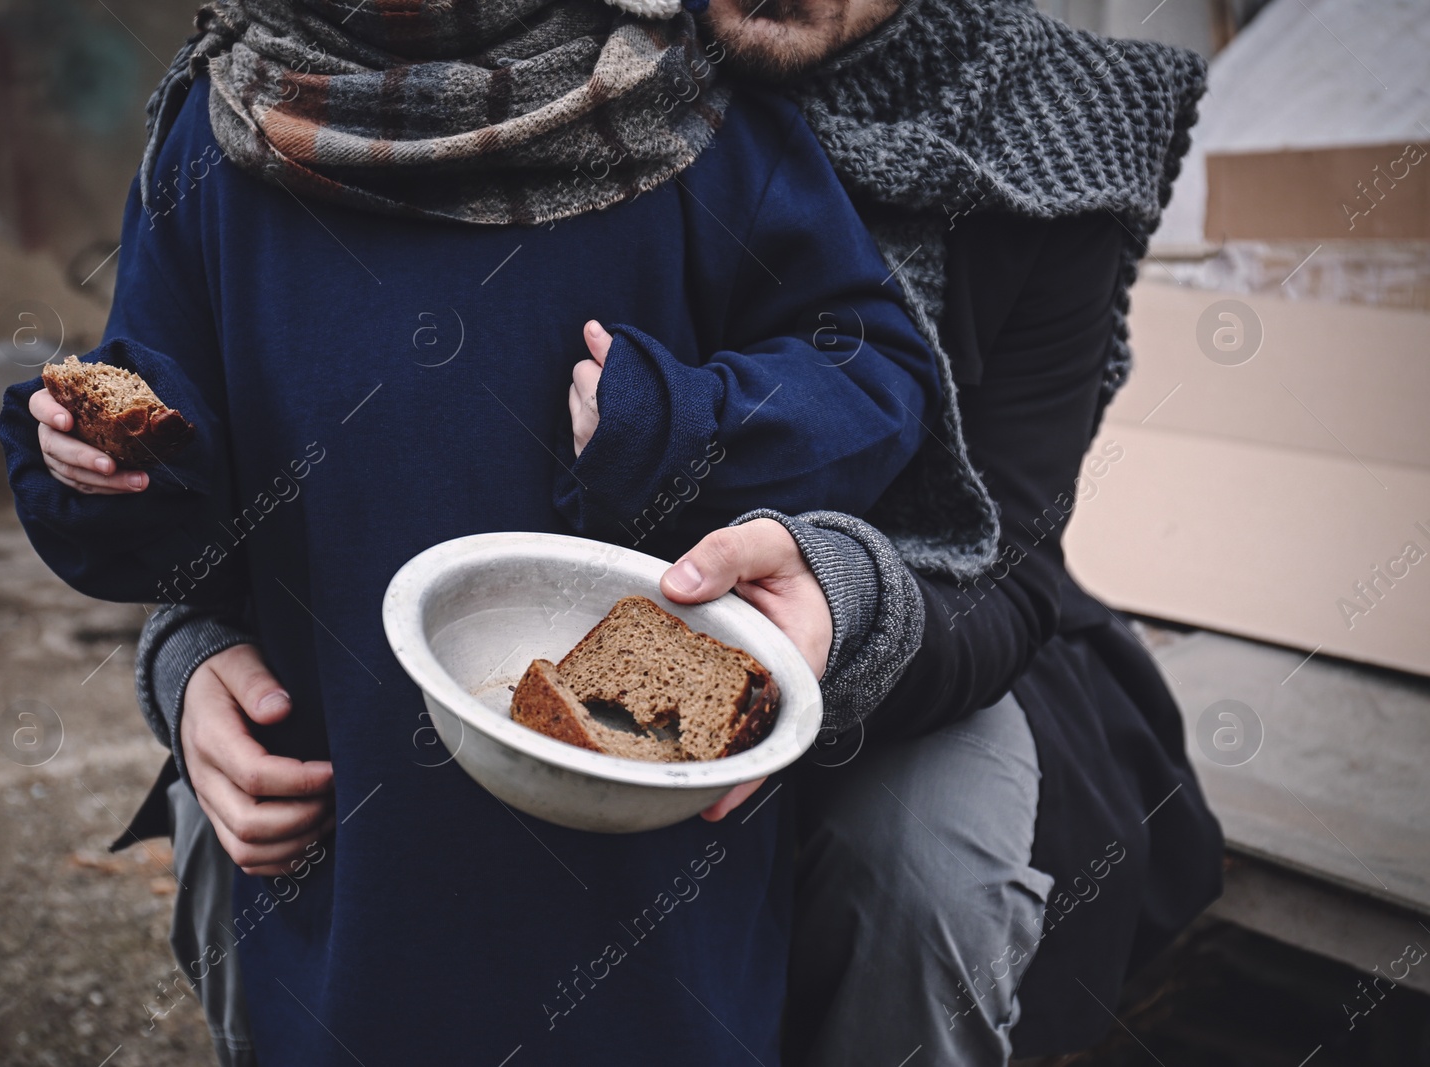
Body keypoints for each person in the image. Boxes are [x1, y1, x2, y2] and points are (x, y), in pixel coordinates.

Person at [134, 0, 1226, 1064]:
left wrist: (845, 610)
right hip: (554, 594)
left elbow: (1006, 560)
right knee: (240, 806)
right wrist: (187, 640)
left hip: (919, 625)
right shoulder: (499, 71)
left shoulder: (1056, 129)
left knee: (925, 870)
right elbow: (330, 424)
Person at [0, 1, 951, 1064]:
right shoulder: (223, 128)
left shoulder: (685, 102)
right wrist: (104, 472)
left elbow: (871, 371)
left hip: (644, 879)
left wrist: (688, 423)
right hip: (350, 843)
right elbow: (171, 510)